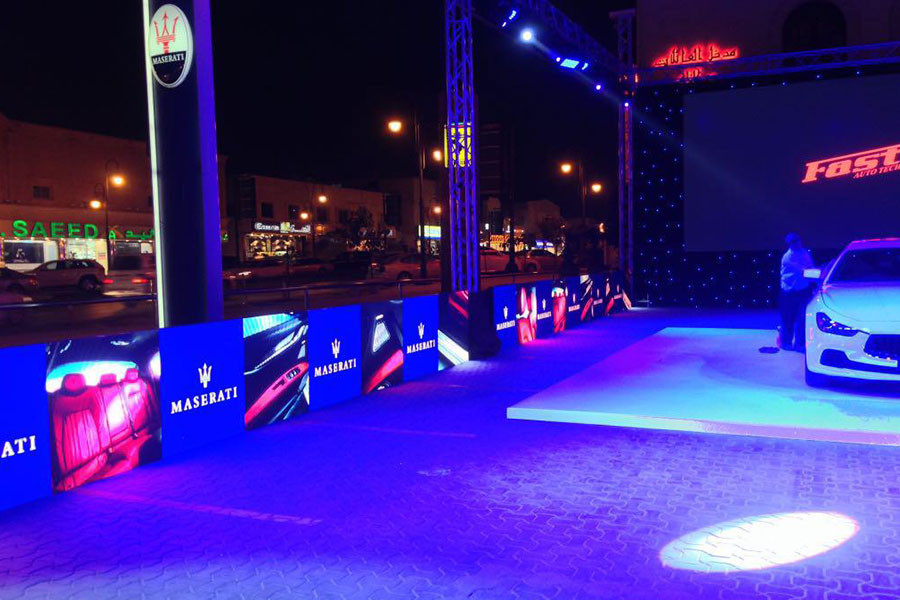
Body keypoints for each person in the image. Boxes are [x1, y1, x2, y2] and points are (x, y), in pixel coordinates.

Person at [779, 233, 814, 351]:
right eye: (793, 242)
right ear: (789, 244)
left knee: (801, 318)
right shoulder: (787, 257)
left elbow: (809, 269)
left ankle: (799, 343)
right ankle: (785, 342)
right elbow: (802, 270)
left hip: (802, 291)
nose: (797, 243)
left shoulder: (805, 253)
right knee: (788, 318)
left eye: (797, 241)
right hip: (788, 292)